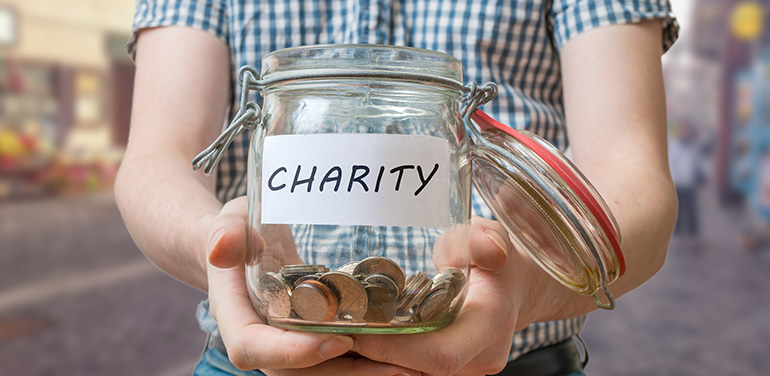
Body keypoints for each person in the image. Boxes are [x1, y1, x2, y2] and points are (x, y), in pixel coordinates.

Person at [115, 1, 679, 375]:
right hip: (251, 362)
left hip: (516, 361)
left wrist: (525, 286)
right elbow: (158, 160)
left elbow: (634, 181)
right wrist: (221, 252)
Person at [668, 121, 708, 251]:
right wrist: (675, 179)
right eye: (684, 131)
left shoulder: (695, 147)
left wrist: (705, 174)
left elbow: (700, 162)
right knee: (678, 212)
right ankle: (677, 238)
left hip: (690, 184)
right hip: (678, 184)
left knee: (691, 211)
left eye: (688, 131)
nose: (686, 133)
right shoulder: (674, 146)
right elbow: (670, 164)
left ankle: (693, 238)